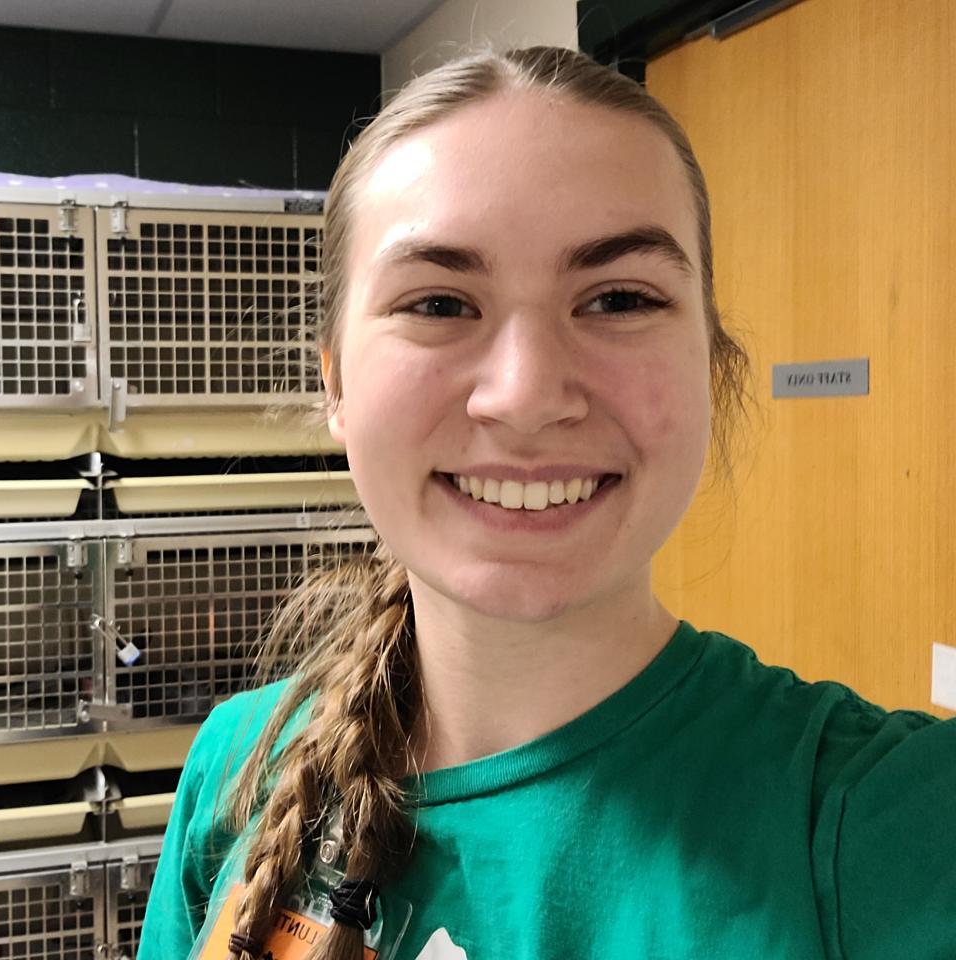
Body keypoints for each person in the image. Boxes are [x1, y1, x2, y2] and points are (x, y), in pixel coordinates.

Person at [136, 46, 956, 960]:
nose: (525, 395)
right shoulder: (238, 766)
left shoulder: (884, 822)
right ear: (335, 382)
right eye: (440, 304)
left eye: (618, 298)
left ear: (712, 363)